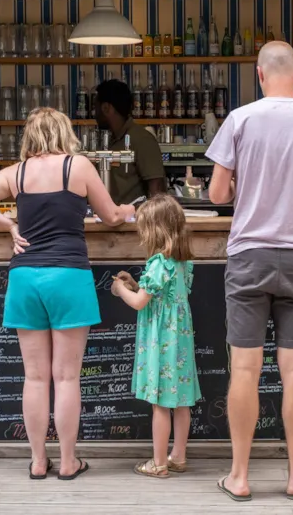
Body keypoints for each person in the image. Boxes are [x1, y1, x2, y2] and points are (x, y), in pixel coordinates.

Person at [206, 41, 293, 502]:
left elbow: (215, 194)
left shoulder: (240, 119)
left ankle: (241, 477)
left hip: (249, 254)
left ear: (259, 73)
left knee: (245, 370)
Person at [0, 108, 135, 482]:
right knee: (67, 378)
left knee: (35, 377)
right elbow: (110, 217)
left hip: (25, 278)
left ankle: (39, 461)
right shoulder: (79, 167)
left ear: (30, 136)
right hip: (68, 276)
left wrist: (9, 225)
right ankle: (68, 462)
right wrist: (128, 210)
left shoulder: (17, 173)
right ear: (63, 132)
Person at [110, 194, 201, 479]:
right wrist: (136, 284)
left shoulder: (158, 263)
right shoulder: (183, 262)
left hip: (161, 341)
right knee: (182, 401)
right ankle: (178, 456)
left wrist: (120, 289)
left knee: (160, 403)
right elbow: (161, 295)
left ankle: (159, 463)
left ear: (156, 230)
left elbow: (140, 303)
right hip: (181, 343)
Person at [95, 79, 166, 203]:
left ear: (106, 108)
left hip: (133, 220)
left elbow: (157, 189)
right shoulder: (110, 140)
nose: (95, 114)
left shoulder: (141, 139)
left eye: (96, 108)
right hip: (110, 218)